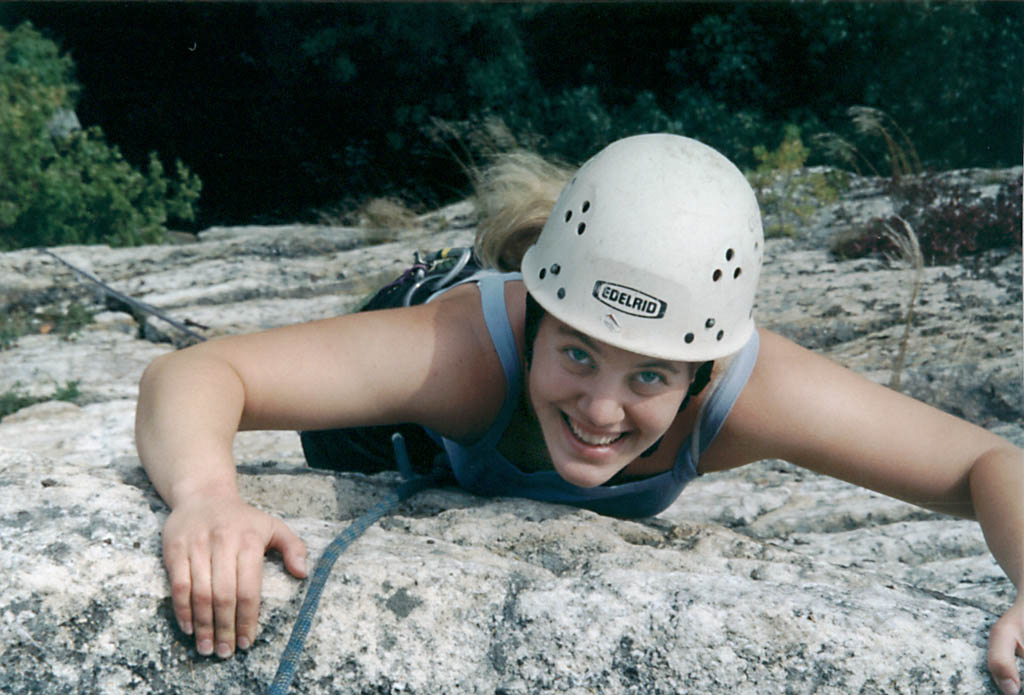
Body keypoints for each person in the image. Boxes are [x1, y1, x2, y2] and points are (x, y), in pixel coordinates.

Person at [135, 134, 1022, 692]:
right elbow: (198, 373)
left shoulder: (752, 393)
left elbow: (988, 464)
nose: (601, 408)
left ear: (705, 372)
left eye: (649, 378)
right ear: (535, 317)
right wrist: (207, 494)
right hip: (393, 427)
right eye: (578, 353)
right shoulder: (462, 353)